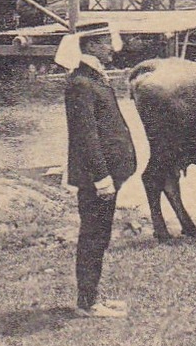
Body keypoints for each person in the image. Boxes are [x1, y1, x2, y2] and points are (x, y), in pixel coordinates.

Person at [59, 25, 138, 319]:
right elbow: (86, 136)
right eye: (106, 43)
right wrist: (101, 177)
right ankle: (87, 303)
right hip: (98, 177)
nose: (111, 48)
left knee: (99, 234)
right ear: (91, 46)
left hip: (106, 175)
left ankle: (92, 297)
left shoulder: (93, 79)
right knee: (93, 235)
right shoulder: (81, 83)